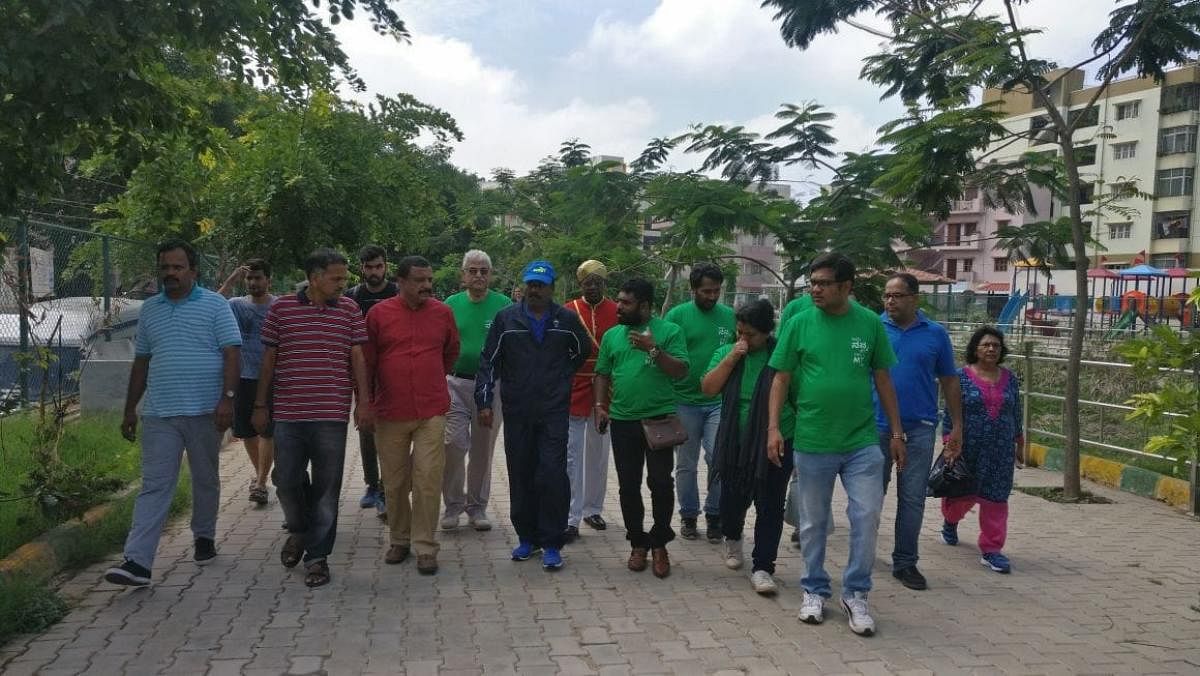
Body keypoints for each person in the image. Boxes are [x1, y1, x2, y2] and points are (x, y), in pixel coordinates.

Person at [767, 252, 905, 637]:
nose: (815, 289)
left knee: (867, 516)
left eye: (824, 283)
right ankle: (814, 590)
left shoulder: (869, 324)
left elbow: (883, 380)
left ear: (847, 287)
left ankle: (856, 594)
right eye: (813, 282)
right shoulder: (798, 323)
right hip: (813, 439)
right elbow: (780, 379)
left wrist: (896, 433)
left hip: (861, 441)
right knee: (812, 523)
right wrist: (773, 429)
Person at [104, 239, 241, 587]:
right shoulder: (150, 309)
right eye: (165, 267)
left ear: (193, 271)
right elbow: (142, 362)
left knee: (205, 478)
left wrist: (227, 399)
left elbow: (232, 354)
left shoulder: (215, 305)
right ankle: (137, 562)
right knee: (154, 485)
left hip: (204, 411)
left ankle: (204, 535)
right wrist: (130, 409)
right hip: (159, 413)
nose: (170, 273)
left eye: (177, 267)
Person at [254, 248, 372, 588]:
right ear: (314, 277)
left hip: (331, 414)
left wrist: (363, 402)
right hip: (289, 413)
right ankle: (300, 530)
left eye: (344, 277)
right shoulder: (282, 308)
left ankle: (318, 557)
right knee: (286, 480)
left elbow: (358, 359)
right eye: (336, 278)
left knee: (326, 490)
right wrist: (260, 404)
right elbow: (269, 359)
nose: (343, 284)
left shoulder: (349, 309)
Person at [477, 260, 591, 570]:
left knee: (552, 473)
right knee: (522, 472)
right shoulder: (507, 319)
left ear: (553, 288)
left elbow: (581, 351)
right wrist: (485, 401)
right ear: (524, 285)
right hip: (518, 410)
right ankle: (527, 538)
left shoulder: (566, 319)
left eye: (541, 284)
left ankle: (552, 542)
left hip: (554, 411)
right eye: (531, 283)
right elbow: (489, 362)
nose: (535, 289)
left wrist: (561, 376)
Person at [367, 256, 460, 575]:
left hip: (431, 410)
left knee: (428, 479)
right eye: (419, 280)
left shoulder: (442, 313)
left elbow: (451, 352)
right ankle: (399, 540)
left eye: (429, 280)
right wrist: (363, 402)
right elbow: (367, 362)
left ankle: (425, 547)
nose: (427, 286)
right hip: (390, 411)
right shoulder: (379, 314)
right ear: (401, 282)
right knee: (393, 482)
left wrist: (429, 375)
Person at [593, 278, 689, 579]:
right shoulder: (612, 336)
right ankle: (637, 543)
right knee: (628, 486)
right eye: (619, 301)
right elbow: (602, 374)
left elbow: (681, 371)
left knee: (661, 483)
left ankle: (660, 543)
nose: (618, 307)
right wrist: (599, 407)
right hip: (622, 421)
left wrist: (653, 349)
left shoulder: (670, 331)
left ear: (645, 307)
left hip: (659, 421)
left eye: (626, 303)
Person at [874, 272, 963, 591]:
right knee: (871, 497)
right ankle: (864, 555)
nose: (890, 301)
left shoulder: (935, 334)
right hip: (876, 426)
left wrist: (957, 429)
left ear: (914, 298)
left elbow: (950, 381)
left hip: (921, 428)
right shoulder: (874, 328)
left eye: (896, 295)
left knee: (912, 499)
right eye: (887, 295)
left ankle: (905, 562)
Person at [701, 299, 796, 595]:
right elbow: (708, 388)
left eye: (750, 335)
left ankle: (763, 567)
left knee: (770, 504)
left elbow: (798, 396)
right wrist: (731, 357)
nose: (743, 339)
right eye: (739, 332)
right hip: (735, 441)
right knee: (732, 499)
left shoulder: (782, 355)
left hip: (777, 439)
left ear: (767, 332)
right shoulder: (728, 351)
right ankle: (732, 537)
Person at [940, 326, 1023, 575]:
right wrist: (950, 443)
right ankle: (950, 521)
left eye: (996, 345)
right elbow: (950, 412)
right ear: (975, 348)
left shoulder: (1010, 378)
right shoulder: (960, 377)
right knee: (961, 495)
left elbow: (1016, 411)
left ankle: (992, 549)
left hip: (1000, 450)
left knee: (996, 498)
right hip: (969, 446)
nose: (991, 349)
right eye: (986, 344)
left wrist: (1019, 440)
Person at [664, 262, 735, 542]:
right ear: (693, 289)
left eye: (717, 290)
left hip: (718, 400)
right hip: (683, 400)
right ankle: (689, 515)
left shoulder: (729, 316)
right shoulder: (677, 316)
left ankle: (715, 514)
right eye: (706, 291)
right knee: (686, 463)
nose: (712, 296)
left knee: (718, 457)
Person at [441, 250, 510, 532]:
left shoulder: (503, 305)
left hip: (491, 387)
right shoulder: (450, 305)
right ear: (463, 275)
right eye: (473, 270)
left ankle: (477, 508)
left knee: (483, 449)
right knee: (453, 444)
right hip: (455, 383)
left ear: (490, 275)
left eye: (484, 271)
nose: (478, 275)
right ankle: (452, 506)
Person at [562, 260, 619, 541]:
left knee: (598, 453)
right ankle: (570, 516)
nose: (593, 287)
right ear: (580, 284)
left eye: (598, 282)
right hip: (574, 386)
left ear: (604, 285)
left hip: (604, 387)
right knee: (572, 455)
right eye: (588, 283)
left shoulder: (617, 311)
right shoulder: (568, 310)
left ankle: (593, 509)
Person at [219, 259, 277, 506]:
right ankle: (260, 473)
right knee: (246, 431)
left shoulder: (279, 306)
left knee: (268, 430)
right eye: (249, 278)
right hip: (242, 376)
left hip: (272, 377)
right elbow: (213, 304)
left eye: (258, 278)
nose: (253, 282)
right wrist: (231, 279)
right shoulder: (236, 305)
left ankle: (261, 481)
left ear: (268, 280)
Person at [345, 245, 398, 517]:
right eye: (369, 267)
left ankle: (390, 487)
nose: (374, 272)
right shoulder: (352, 297)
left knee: (391, 431)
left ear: (386, 266)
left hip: (393, 371)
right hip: (363, 371)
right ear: (361, 269)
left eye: (379, 266)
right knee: (366, 428)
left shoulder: (397, 294)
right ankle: (371, 484)